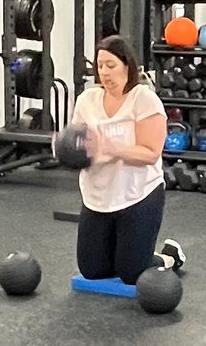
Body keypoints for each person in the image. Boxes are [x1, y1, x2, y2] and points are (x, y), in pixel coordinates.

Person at [70, 35, 169, 286]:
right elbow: (78, 144)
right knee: (93, 271)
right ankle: (127, 249)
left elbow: (150, 153)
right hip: (98, 196)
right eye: (100, 66)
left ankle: (168, 257)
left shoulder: (142, 99)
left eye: (110, 65)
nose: (104, 72)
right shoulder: (86, 100)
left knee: (132, 273)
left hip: (138, 194)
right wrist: (66, 149)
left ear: (127, 65)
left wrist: (111, 147)